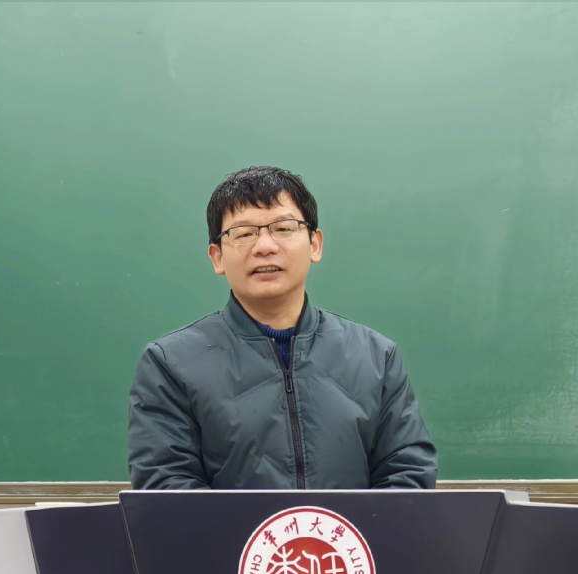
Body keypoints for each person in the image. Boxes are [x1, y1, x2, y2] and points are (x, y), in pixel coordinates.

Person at [127, 166, 437, 489]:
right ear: (217, 257)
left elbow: (407, 477)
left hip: (352, 527)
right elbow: (167, 490)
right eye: (244, 233)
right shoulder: (171, 364)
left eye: (284, 228)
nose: (265, 246)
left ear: (315, 244)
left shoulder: (376, 357)